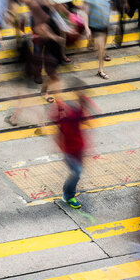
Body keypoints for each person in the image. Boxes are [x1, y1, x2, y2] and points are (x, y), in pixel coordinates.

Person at [49, 78, 100, 209]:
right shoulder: (64, 110)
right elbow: (57, 126)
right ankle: (68, 195)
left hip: (79, 146)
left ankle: (68, 191)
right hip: (68, 149)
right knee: (77, 172)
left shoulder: (79, 110)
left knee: (77, 172)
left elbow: (90, 119)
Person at [82, 0, 112, 79]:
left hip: (103, 25)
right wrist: (87, 28)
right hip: (94, 26)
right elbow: (85, 12)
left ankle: (100, 69)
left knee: (101, 49)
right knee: (100, 48)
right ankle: (101, 70)